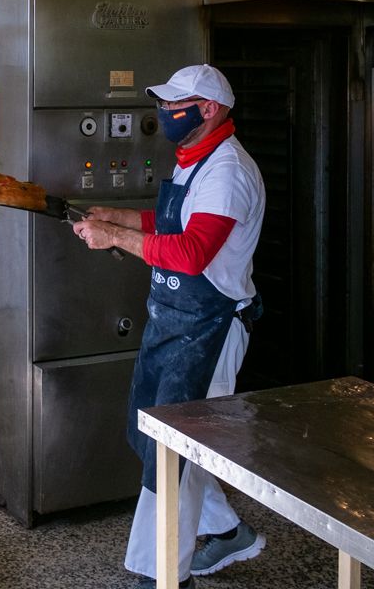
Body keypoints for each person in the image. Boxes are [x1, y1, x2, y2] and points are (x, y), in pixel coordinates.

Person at [72, 64, 266, 588]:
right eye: (163, 103)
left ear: (209, 110)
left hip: (210, 327)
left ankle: (160, 575)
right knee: (152, 435)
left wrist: (111, 238)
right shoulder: (195, 162)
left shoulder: (226, 171)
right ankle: (227, 535)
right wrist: (113, 217)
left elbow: (191, 251)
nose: (164, 113)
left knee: (172, 454)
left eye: (174, 105)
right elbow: (171, 223)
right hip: (174, 323)